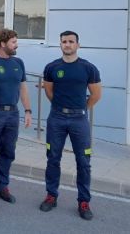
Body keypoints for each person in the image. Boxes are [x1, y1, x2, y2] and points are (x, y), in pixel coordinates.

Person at [39, 31, 102, 221]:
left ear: (78, 45)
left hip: (79, 120)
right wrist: (61, 107)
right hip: (56, 118)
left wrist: (81, 109)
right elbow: (49, 91)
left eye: (71, 41)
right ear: (60, 44)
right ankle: (51, 196)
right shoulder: (52, 67)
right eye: (64, 41)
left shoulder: (88, 68)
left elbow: (96, 94)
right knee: (53, 158)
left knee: (83, 162)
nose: (67, 44)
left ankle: (84, 201)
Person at [0, 29, 32, 203]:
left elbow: (23, 88)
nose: (16, 45)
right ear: (3, 43)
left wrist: (28, 111)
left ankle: (2, 187)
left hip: (13, 114)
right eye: (13, 42)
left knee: (8, 152)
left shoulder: (18, 62)